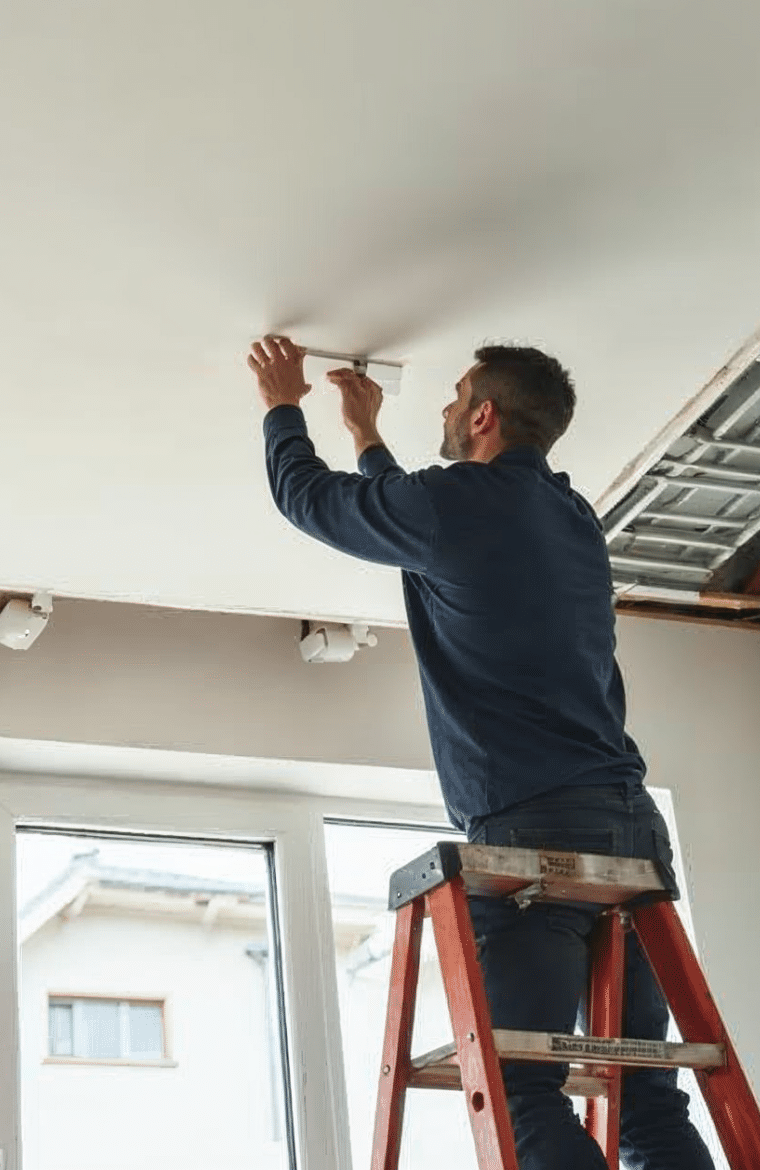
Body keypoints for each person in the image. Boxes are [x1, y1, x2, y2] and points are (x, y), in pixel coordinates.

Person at [245, 334, 712, 1170]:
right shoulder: (572, 516)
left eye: (456, 394)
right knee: (644, 1091)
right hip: (632, 829)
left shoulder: (456, 505)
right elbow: (417, 510)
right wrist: (365, 432)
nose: (447, 408)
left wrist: (283, 402)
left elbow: (307, 499)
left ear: (483, 414)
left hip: (539, 831)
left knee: (519, 1085)